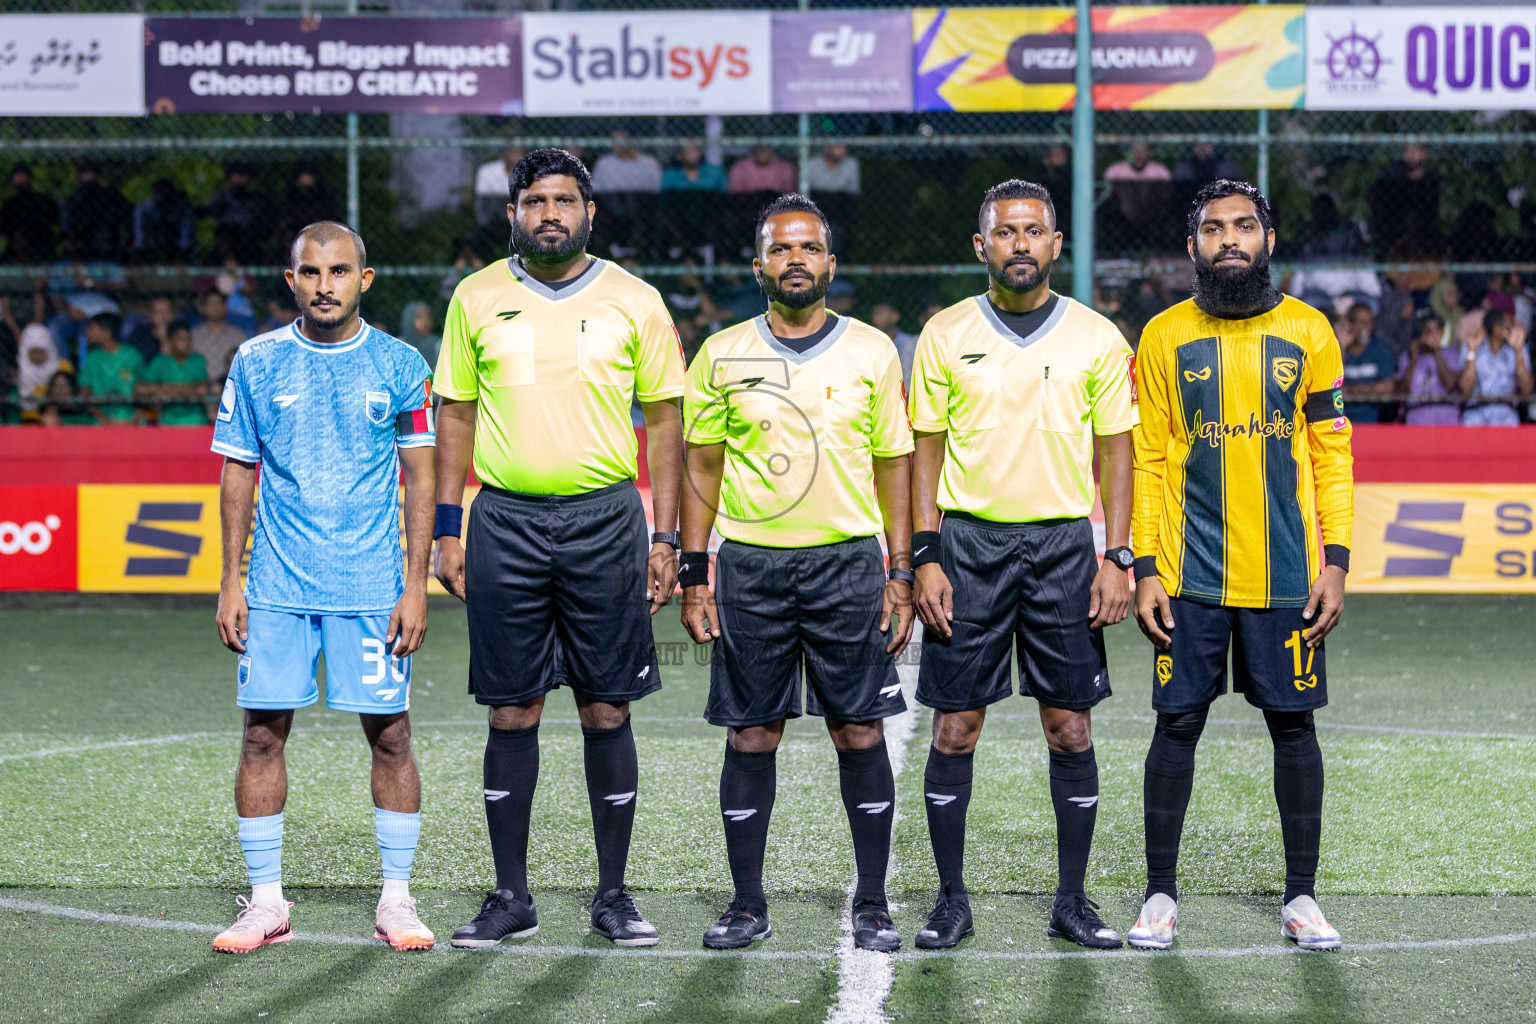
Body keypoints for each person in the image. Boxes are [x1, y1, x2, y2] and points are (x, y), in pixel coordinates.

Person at [433, 149, 685, 950]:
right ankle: (512, 896)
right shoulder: (475, 297)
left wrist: (667, 534)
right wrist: (447, 526)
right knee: (513, 707)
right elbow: (456, 416)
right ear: (513, 212)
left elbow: (667, 424)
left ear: (590, 212)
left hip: (607, 521)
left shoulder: (635, 300)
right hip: (503, 519)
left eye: (565, 200)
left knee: (605, 705)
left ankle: (613, 896)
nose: (550, 213)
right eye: (535, 200)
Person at [679, 194, 914, 953]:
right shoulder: (719, 352)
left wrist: (901, 570)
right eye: (782, 249)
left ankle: (872, 904)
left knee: (858, 729)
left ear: (831, 264)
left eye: (810, 248)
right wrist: (694, 572)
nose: (796, 260)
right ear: (759, 266)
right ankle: (747, 904)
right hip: (750, 567)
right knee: (752, 736)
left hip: (848, 564)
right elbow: (702, 466)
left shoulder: (874, 350)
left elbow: (894, 466)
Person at [907, 179, 1137, 951]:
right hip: (969, 547)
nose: (1020, 244)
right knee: (956, 729)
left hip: (1065, 550)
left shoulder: (1098, 337)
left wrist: (1119, 556)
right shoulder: (944, 331)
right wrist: (926, 556)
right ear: (982, 246)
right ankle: (950, 900)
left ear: (1055, 245)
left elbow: (1118, 451)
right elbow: (925, 448)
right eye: (1004, 232)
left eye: (1033, 231)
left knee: (1069, 728)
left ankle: (1072, 901)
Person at [1129, 179, 1354, 953]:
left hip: (1287, 575)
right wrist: (1146, 568)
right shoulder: (1161, 336)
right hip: (1188, 576)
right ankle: (1160, 894)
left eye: (1244, 227)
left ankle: (1301, 898)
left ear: (1269, 238)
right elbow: (1150, 461)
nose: (1230, 240)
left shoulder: (1310, 331)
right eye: (1215, 229)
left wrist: (1339, 562)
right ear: (1193, 245)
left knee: (1293, 727)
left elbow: (1331, 455)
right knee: (1176, 724)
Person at [209, 221, 437, 954]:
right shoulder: (256, 360)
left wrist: (415, 585)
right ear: (292, 281)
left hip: (372, 587)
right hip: (276, 586)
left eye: (340, 272)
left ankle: (397, 901)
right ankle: (267, 902)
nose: (325, 286)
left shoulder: (403, 364)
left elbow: (423, 475)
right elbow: (237, 470)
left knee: (393, 738)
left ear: (363, 280)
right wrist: (229, 582)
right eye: (311, 273)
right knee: (260, 737)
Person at [590, 131, 663, 257]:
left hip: (641, 209)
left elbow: (657, 188)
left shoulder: (648, 162)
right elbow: (597, 190)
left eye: (620, 140)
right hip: (611, 209)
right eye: (613, 141)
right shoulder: (604, 163)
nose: (615, 145)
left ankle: (642, 257)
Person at [1458, 309, 1534, 426]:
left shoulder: (1519, 349)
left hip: (1506, 416)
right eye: (1510, 325)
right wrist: (1472, 349)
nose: (1514, 329)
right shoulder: (1470, 347)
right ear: (1497, 329)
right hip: (1475, 416)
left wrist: (1518, 350)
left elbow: (1527, 390)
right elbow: (1465, 389)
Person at [1102, 141, 1173, 254]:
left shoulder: (1160, 172)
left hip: (1153, 218)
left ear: (1149, 153)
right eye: (1134, 151)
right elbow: (1108, 202)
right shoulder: (1114, 171)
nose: (1138, 154)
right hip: (1122, 219)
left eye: (1142, 151)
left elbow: (1166, 200)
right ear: (1127, 153)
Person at [137, 319, 210, 425]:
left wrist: (166, 390)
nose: (187, 343)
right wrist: (184, 390)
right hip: (168, 420)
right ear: (170, 341)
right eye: (181, 339)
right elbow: (140, 389)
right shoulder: (160, 361)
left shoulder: (198, 360)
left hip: (196, 419)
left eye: (189, 339)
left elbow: (202, 389)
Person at [659, 144, 726, 256]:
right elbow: (665, 202)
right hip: (679, 220)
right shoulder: (671, 175)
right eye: (688, 152)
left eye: (695, 151)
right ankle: (686, 252)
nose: (693, 155)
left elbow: (722, 198)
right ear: (680, 156)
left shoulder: (715, 173)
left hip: (706, 218)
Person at [1398, 310, 1463, 425]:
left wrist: (1437, 351)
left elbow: (1449, 384)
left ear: (1442, 332)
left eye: (1436, 331)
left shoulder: (1452, 354)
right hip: (1418, 419)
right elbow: (1402, 392)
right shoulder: (1407, 357)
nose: (1432, 335)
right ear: (1421, 332)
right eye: (1428, 331)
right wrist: (1413, 360)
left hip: (1447, 418)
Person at [58, 161, 131, 263]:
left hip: (106, 250)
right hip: (79, 253)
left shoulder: (111, 197)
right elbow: (67, 229)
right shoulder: (72, 201)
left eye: (91, 175)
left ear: (98, 177)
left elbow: (126, 216)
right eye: (84, 175)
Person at [77, 312, 141, 423]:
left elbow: (144, 388)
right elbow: (84, 392)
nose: (87, 332)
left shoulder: (132, 355)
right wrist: (105, 420)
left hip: (131, 419)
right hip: (100, 420)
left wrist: (134, 420)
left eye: (92, 328)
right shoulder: (93, 358)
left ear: (106, 332)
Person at [205, 163, 273, 264]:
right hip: (227, 244)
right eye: (236, 174)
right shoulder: (222, 197)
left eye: (243, 174)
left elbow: (266, 225)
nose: (239, 178)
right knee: (226, 234)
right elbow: (206, 211)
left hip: (251, 242)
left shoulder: (256, 199)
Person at [1339, 303, 1396, 423]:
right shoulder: (1340, 349)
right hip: (1341, 421)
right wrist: (1342, 348)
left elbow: (1386, 387)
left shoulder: (1380, 349)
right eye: (1361, 322)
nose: (1366, 327)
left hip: (1371, 422)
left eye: (1369, 322)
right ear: (1350, 324)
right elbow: (1333, 384)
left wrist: (1351, 390)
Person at [804, 144, 860, 256]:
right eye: (837, 146)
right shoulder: (812, 164)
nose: (843, 150)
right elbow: (808, 192)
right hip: (819, 205)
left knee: (841, 214)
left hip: (841, 207)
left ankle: (838, 263)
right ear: (826, 148)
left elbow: (852, 191)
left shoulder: (851, 164)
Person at [0, 164, 59, 264]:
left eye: (23, 178)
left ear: (31, 180)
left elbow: (52, 224)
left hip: (40, 245)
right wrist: (17, 240)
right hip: (15, 246)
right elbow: (5, 228)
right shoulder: (9, 204)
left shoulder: (43, 201)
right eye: (17, 178)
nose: (20, 181)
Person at [131, 178, 197, 265]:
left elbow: (186, 238)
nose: (162, 197)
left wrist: (183, 251)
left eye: (165, 193)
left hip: (175, 248)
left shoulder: (181, 210)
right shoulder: (144, 210)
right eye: (159, 192)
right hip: (151, 249)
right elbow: (140, 237)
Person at [191, 291, 248, 382]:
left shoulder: (238, 335)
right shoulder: (194, 335)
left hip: (231, 387)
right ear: (204, 308)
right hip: (201, 389)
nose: (215, 308)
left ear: (225, 307)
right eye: (211, 304)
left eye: (219, 303)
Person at [16, 323, 67, 417]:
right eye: (33, 352)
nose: (37, 357)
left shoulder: (64, 368)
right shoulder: (17, 372)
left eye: (40, 352)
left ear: (49, 350)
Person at [870, 301, 918, 386]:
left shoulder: (909, 342)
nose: (875, 319)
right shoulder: (869, 343)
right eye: (874, 314)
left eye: (879, 314)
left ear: (895, 316)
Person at [398, 301, 440, 367]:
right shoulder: (400, 345)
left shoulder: (438, 345)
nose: (425, 321)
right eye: (419, 317)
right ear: (409, 320)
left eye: (428, 317)